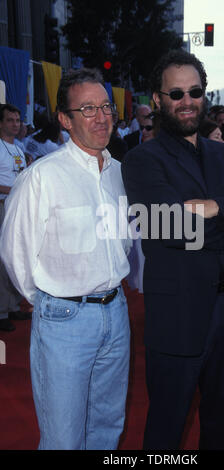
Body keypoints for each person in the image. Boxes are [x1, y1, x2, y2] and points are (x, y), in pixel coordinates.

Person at [121, 49, 224, 450]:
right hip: (177, 317)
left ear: (204, 94)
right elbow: (166, 226)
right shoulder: (141, 160)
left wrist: (214, 208)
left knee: (222, 426)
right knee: (165, 430)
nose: (186, 101)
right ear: (157, 99)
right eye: (175, 94)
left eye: (194, 92)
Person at [0, 68, 131, 449]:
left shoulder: (121, 174)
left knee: (107, 426)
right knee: (63, 437)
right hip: (64, 321)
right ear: (64, 119)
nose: (101, 116)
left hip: (117, 313)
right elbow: (15, 253)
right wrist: (52, 303)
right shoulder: (42, 176)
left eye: (105, 106)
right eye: (87, 108)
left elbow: (124, 242)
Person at [0, 104, 28, 332]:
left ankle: (13, 305)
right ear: (0, 123)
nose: (15, 124)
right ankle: (1, 311)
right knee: (2, 260)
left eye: (17, 120)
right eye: (10, 120)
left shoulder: (19, 148)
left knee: (15, 256)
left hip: (17, 208)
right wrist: (14, 191)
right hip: (2, 206)